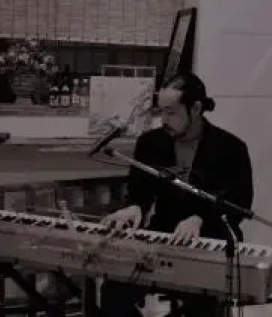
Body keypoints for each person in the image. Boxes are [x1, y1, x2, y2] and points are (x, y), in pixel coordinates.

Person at [99, 72, 254, 317]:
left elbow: (240, 202)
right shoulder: (150, 142)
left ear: (196, 109)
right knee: (113, 293)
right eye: (161, 112)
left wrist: (201, 219)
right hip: (163, 233)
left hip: (211, 237)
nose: (164, 120)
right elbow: (140, 190)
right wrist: (135, 206)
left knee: (203, 304)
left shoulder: (230, 148)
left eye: (171, 113)